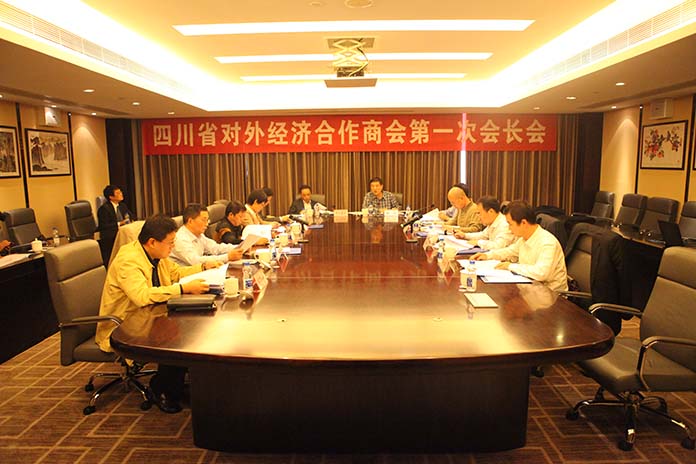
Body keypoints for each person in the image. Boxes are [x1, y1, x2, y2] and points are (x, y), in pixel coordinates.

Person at [95, 214, 213, 413]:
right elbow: (141, 296)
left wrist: (203, 267)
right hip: (124, 325)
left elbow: (175, 273)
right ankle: (163, 390)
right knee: (178, 337)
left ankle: (177, 379)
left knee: (192, 325)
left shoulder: (156, 255)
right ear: (152, 242)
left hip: (151, 315)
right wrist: (182, 289)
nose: (173, 247)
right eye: (170, 243)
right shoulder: (128, 261)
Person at [472, 200, 568, 292]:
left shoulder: (547, 243)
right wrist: (488, 255)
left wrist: (510, 266)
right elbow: (509, 251)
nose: (509, 229)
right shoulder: (524, 239)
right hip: (531, 288)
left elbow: (541, 273)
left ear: (523, 223)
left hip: (552, 295)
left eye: (510, 224)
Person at [169, 203, 244, 266]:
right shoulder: (180, 239)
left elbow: (215, 248)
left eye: (207, 220)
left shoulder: (199, 235)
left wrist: (239, 248)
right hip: (185, 276)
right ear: (190, 221)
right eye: (204, 220)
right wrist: (227, 257)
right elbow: (196, 261)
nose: (207, 224)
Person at [97, 185, 135, 265]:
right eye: (118, 193)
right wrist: (119, 223)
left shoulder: (122, 206)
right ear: (111, 197)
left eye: (120, 192)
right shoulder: (104, 209)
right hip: (110, 236)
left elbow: (131, 216)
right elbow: (103, 226)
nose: (121, 194)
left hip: (123, 233)